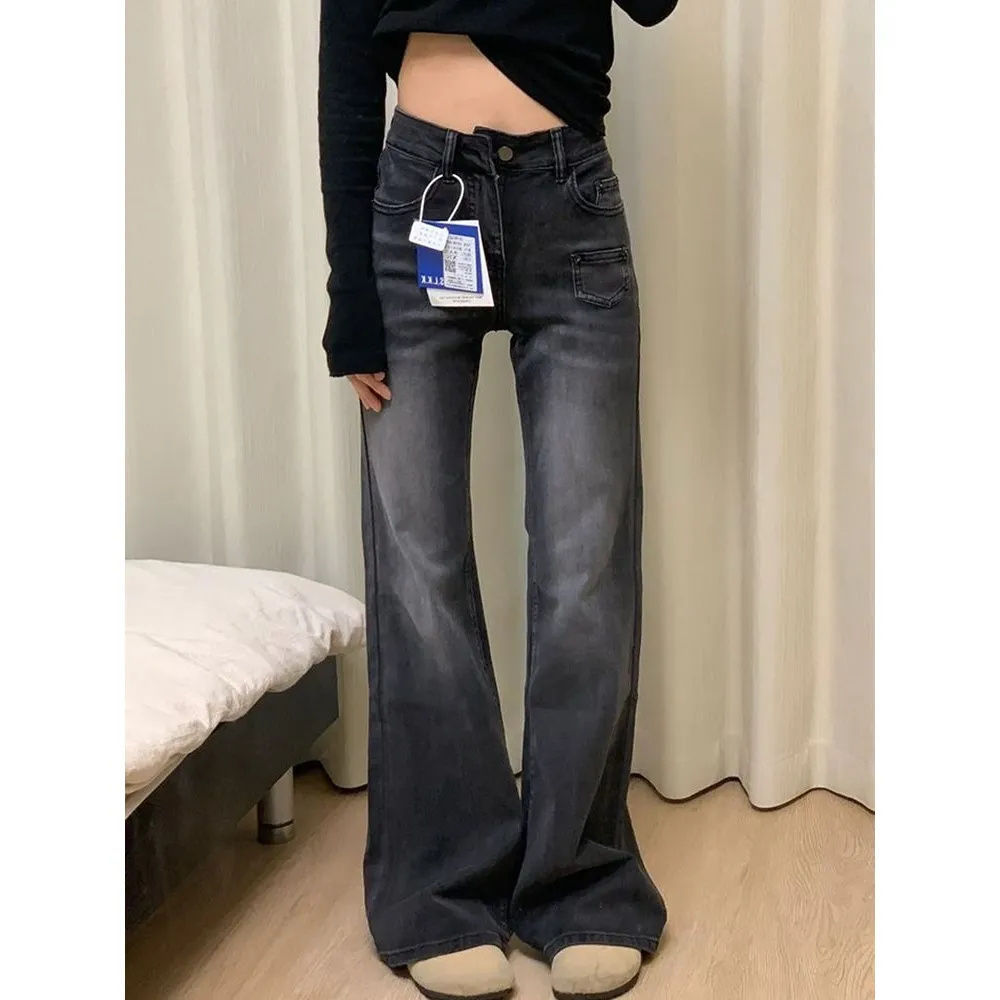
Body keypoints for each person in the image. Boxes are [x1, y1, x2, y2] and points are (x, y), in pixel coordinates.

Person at [318, 3, 679, 998]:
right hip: (419, 195)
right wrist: (352, 292)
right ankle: (441, 886)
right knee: (419, 563)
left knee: (585, 561)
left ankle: (579, 881)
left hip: (571, 195)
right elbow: (347, 69)